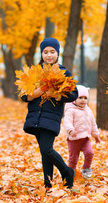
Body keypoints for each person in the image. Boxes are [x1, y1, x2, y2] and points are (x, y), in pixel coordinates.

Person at [21, 38, 77, 189]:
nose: (49, 55)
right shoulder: (35, 72)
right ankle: (48, 185)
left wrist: (58, 95)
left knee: (46, 150)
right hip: (35, 116)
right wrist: (32, 94)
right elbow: (23, 94)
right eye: (45, 52)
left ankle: (67, 171)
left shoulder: (63, 72)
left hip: (51, 116)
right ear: (41, 54)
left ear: (58, 54)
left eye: (52, 52)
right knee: (44, 153)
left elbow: (74, 94)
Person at [63, 85, 101, 179]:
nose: (83, 100)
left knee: (90, 153)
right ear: (74, 98)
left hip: (85, 139)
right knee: (73, 159)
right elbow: (67, 121)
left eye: (85, 98)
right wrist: (70, 130)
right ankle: (70, 174)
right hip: (74, 139)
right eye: (80, 98)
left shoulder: (88, 110)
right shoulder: (70, 110)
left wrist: (96, 135)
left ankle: (86, 169)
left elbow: (92, 124)